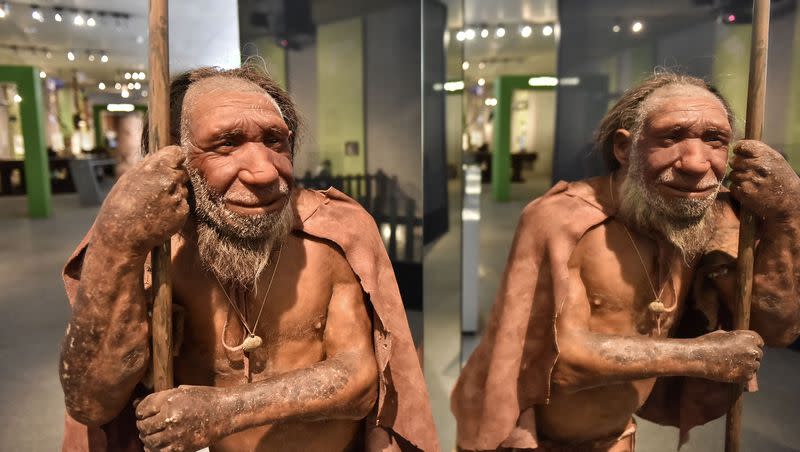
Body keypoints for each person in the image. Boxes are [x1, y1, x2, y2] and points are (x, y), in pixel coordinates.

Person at [59, 64, 439, 452]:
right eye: (226, 143)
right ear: (175, 156)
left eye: (275, 141)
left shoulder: (331, 234)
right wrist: (118, 241)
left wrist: (225, 410)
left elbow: (359, 380)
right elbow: (91, 402)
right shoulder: (155, 251)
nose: (263, 172)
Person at [451, 72, 800, 451]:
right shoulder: (562, 219)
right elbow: (556, 359)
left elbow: (776, 328)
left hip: (616, 437)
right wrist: (699, 356)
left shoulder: (708, 220)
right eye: (672, 137)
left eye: (714, 140)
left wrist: (788, 214)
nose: (697, 163)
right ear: (624, 148)